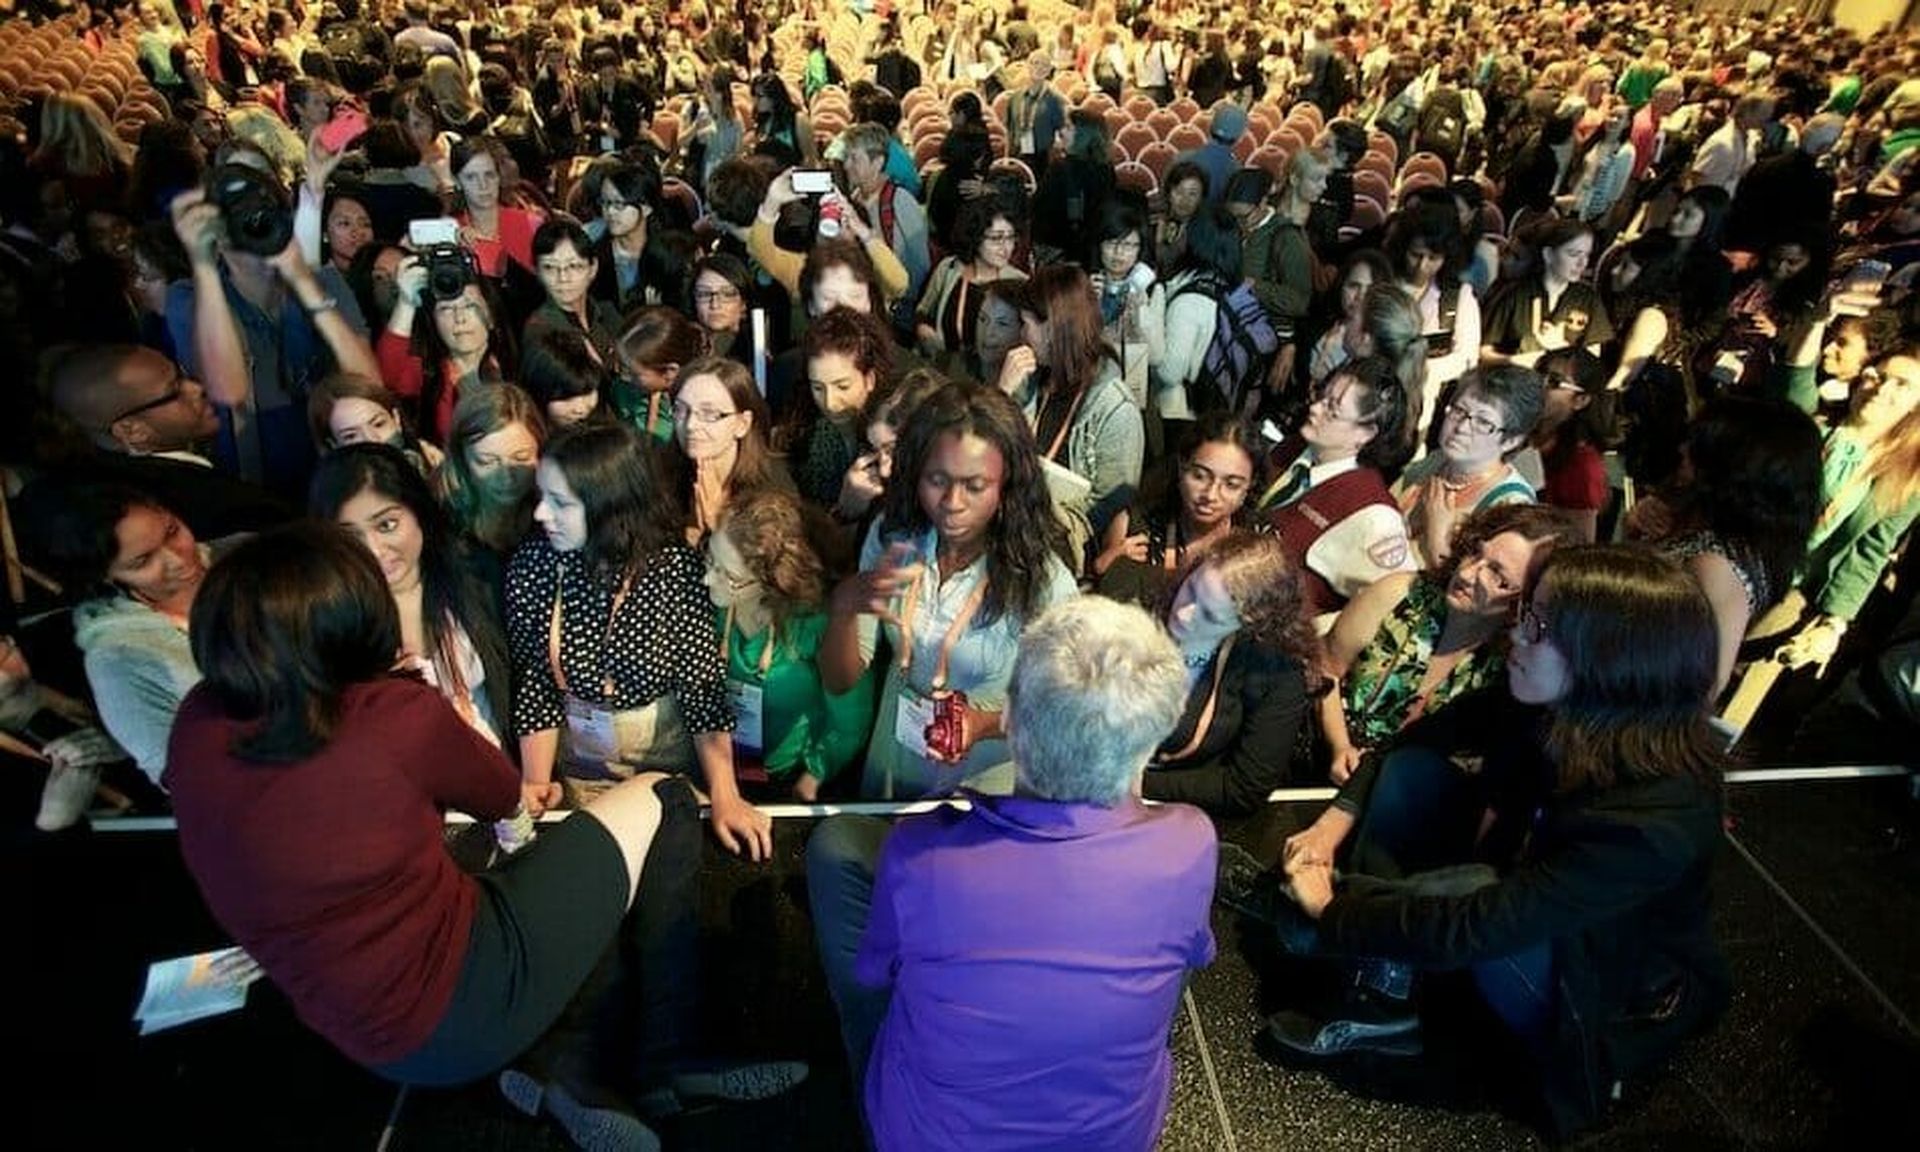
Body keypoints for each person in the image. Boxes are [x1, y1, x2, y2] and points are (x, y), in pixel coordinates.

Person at [166, 521, 801, 1151]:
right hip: (465, 997)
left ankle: (561, 1072)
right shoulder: (389, 714)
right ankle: (670, 1062)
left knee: (563, 879)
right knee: (661, 795)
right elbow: (499, 794)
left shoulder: (194, 727)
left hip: (360, 1036)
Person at [1238, 545, 1728, 1143]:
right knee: (1414, 773)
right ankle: (1380, 982)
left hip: (1599, 992)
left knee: (1468, 902)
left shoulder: (1658, 819)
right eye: (1527, 612)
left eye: (1540, 625)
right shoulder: (1557, 705)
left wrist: (1333, 908)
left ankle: (1366, 964)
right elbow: (1411, 740)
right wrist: (1328, 829)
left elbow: (1486, 923)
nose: (1517, 634)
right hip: (1525, 901)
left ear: (1607, 658)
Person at [806, 595, 1215, 1149]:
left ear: (1011, 723)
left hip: (930, 1138)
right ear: (1154, 735)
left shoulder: (923, 855)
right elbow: (1193, 954)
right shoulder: (1191, 841)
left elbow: (879, 974)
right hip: (1113, 1140)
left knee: (836, 846)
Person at [505, 421, 772, 860]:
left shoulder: (675, 571)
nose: (540, 514)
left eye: (560, 503)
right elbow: (536, 685)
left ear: (609, 507)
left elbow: (701, 690)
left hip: (665, 763)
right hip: (582, 769)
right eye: (541, 497)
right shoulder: (533, 565)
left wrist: (725, 795)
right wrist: (535, 781)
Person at [821, 381, 1079, 799]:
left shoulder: (1044, 580)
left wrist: (982, 725)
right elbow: (839, 680)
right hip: (894, 766)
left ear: (1007, 483)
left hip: (985, 785)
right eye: (937, 480)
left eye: (975, 486)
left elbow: (1068, 710)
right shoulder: (894, 539)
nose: (952, 502)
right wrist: (843, 609)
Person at [1319, 503, 1573, 784]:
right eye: (1476, 552)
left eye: (1497, 575)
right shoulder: (1400, 595)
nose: (1466, 574)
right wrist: (1340, 746)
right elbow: (1323, 668)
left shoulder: (1514, 668)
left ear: (1528, 601)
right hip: (1315, 768)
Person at [310, 444, 510, 747]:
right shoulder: (330, 622)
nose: (373, 550)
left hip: (508, 775)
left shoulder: (476, 577)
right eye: (350, 537)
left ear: (419, 513)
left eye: (387, 525)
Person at [1626, 397, 1823, 692]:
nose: (1682, 449)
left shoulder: (1716, 566)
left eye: (1697, 445)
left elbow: (1700, 685)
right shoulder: (1713, 533)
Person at [31, 485, 215, 785]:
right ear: (107, 575)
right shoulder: (119, 656)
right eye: (143, 562)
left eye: (172, 532)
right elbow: (182, 778)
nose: (178, 560)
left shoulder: (246, 558)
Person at [704, 489, 876, 802]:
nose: (707, 579)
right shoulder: (716, 606)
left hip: (786, 781)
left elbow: (851, 718)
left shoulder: (815, 625)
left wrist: (814, 774)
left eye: (727, 575)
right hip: (719, 766)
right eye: (710, 559)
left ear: (772, 581)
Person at [1145, 532, 1319, 814]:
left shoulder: (1276, 673)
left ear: (1250, 625)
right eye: (1191, 590)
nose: (1185, 614)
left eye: (1211, 616)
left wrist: (1139, 785)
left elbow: (1244, 788)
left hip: (1175, 807)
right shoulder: (1139, 602)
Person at [1256, 356, 1418, 625]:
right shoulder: (1297, 447)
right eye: (1321, 395)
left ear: (1365, 434)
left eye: (1332, 409)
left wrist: (1319, 639)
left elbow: (1390, 608)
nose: (1315, 409)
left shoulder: (1374, 514)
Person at [999, 263, 1144, 547]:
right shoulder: (1030, 380)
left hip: (1059, 543)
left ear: (1052, 329)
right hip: (1012, 525)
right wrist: (1001, 394)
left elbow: (1111, 505)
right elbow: (986, 450)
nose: (1021, 335)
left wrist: (1044, 518)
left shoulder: (1115, 406)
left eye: (1025, 324)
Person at [1095, 413, 1259, 607]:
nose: (1211, 495)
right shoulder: (1135, 527)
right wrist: (1105, 567)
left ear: (1250, 486)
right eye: (1199, 476)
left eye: (1231, 484)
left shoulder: (1259, 547)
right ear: (1182, 467)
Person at [1394, 366, 1546, 568]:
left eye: (1483, 422)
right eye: (1459, 410)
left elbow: (1477, 591)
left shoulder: (1512, 504)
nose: (1462, 428)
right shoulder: (1438, 460)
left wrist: (1438, 537)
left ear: (1511, 441)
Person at [379, 251, 517, 444]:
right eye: (445, 309)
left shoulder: (517, 365)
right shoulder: (429, 375)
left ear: (492, 316)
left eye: (470, 306)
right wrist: (406, 302)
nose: (459, 318)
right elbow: (390, 373)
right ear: (434, 321)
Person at [435, 384, 546, 585]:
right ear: (462, 461)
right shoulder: (439, 519)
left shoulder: (557, 510)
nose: (506, 477)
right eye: (487, 461)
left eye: (521, 458)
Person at [671, 356, 786, 545]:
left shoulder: (771, 487)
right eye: (681, 410)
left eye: (709, 414)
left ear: (742, 424)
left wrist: (717, 528)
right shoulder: (664, 473)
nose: (690, 425)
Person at [914, 197, 1027, 371]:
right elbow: (924, 311)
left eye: (1011, 238)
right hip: (945, 371)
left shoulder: (1020, 284)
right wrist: (924, 329)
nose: (1006, 247)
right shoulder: (949, 269)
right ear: (975, 237)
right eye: (996, 239)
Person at [796, 308, 892, 512]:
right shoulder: (816, 434)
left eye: (842, 386)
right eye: (818, 387)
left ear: (870, 380)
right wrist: (845, 508)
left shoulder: (890, 437)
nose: (829, 403)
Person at [306, 372, 443, 473]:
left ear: (396, 420)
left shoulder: (435, 466)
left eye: (378, 424)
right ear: (334, 445)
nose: (371, 439)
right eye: (351, 436)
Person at [613, 305, 708, 445]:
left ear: (670, 371)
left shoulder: (702, 402)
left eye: (634, 373)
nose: (624, 377)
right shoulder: (624, 391)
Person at [452, 137, 543, 280]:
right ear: (457, 181)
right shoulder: (450, 232)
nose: (483, 186)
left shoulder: (531, 224)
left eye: (489, 175)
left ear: (499, 176)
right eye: (471, 177)